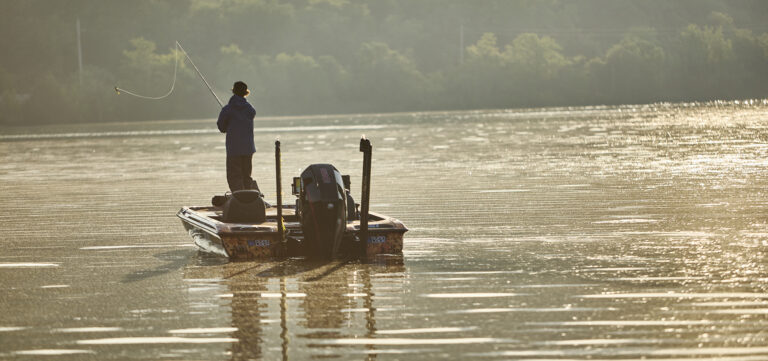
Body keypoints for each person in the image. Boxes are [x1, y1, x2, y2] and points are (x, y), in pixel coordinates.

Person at [217, 81, 259, 193]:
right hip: (248, 148)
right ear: (246, 93)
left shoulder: (227, 109)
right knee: (246, 175)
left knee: (234, 176)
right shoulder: (250, 109)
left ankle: (239, 199)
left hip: (234, 149)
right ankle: (249, 199)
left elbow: (221, 127)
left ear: (234, 91)